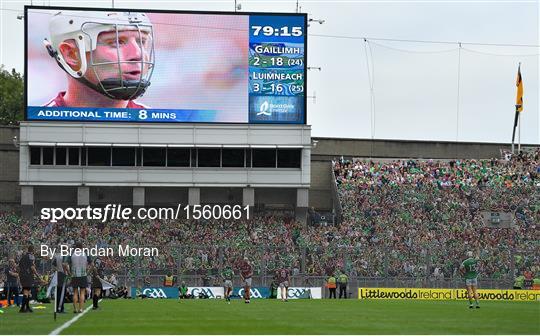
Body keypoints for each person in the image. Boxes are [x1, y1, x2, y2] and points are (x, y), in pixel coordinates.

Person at [43, 11, 155, 108]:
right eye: (117, 42)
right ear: (71, 54)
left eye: (141, 41)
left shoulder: (157, 123)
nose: (137, 54)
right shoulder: (40, 126)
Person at [68, 242, 90, 313]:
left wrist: (69, 273)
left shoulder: (72, 254)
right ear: (82, 247)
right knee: (82, 293)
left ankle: (75, 309)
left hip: (74, 275)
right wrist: (88, 271)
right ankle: (80, 309)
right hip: (83, 275)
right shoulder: (85, 253)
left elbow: (65, 264)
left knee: (75, 292)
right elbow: (92, 264)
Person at [18, 246, 40, 313]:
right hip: (28, 276)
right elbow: (32, 267)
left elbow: (19, 267)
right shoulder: (31, 256)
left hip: (22, 276)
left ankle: (27, 307)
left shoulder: (23, 257)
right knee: (27, 292)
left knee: (27, 291)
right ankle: (22, 308)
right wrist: (38, 276)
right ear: (33, 250)